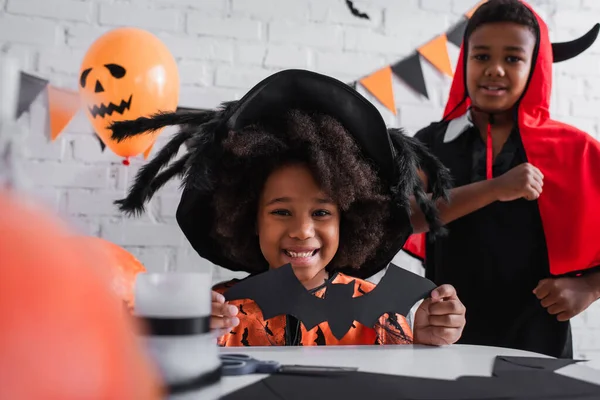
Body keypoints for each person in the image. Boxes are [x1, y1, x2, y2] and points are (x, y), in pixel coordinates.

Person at [108, 69, 466, 346]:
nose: (302, 231)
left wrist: (427, 332)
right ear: (250, 219)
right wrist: (187, 331)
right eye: (281, 212)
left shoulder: (379, 315)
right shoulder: (224, 310)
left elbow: (405, 367)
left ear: (349, 221)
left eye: (321, 213)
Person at [403, 0, 600, 358]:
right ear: (465, 62)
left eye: (512, 58)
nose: (494, 69)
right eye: (481, 57)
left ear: (535, 66)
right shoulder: (431, 142)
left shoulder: (575, 149)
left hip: (538, 340)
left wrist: (589, 287)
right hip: (444, 333)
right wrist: (496, 188)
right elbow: (409, 217)